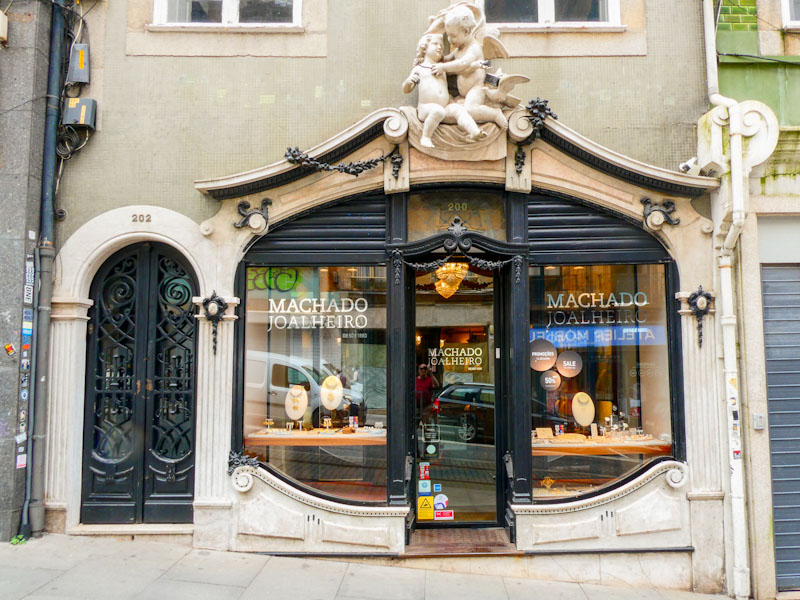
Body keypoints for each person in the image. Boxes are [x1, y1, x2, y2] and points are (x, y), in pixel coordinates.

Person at [403, 33, 484, 147]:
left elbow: (461, 69)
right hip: (426, 108)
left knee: (459, 110)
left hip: (445, 107)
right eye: (435, 44)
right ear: (424, 48)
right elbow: (406, 89)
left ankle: (474, 132)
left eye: (441, 45)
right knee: (437, 111)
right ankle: (425, 137)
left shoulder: (443, 68)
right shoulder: (419, 68)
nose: (440, 47)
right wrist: (409, 82)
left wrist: (476, 65)